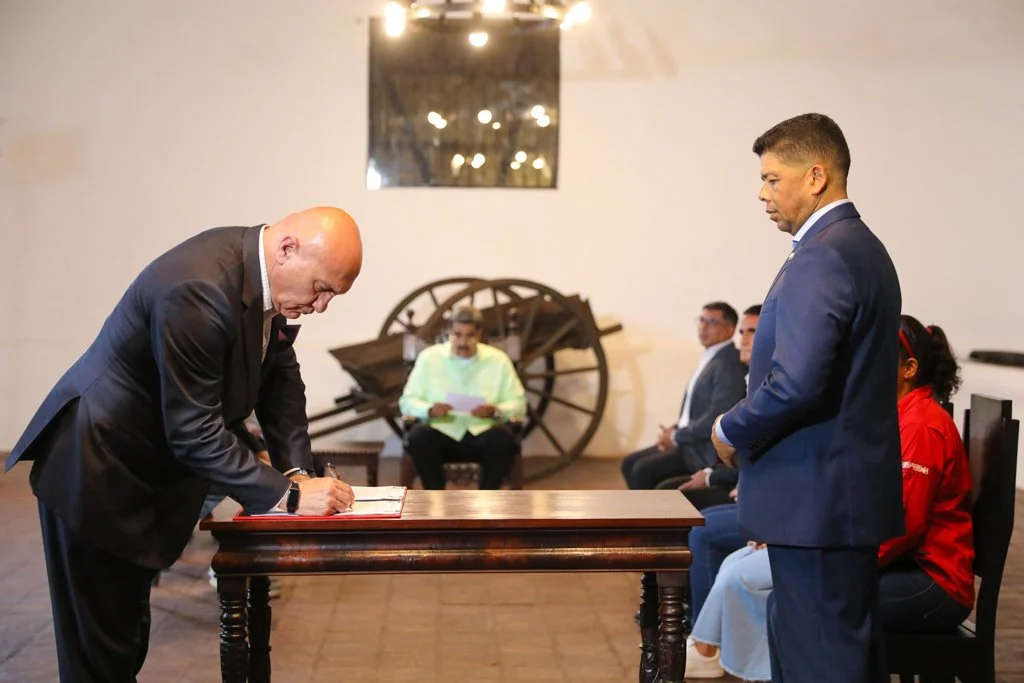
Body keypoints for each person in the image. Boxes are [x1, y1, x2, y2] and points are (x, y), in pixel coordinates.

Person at [4, 206, 363, 682]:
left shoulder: (263, 283)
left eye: (332, 295)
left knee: (124, 643)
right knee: (98, 660)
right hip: (99, 470)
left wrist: (297, 470)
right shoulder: (199, 287)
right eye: (321, 288)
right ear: (287, 249)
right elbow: (194, 430)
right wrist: (291, 496)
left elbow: (280, 381)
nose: (321, 306)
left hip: (144, 469)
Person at [711, 113, 903, 683]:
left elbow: (795, 383)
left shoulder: (824, 254)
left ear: (816, 176)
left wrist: (728, 428)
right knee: (835, 654)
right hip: (834, 497)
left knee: (820, 661)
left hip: (818, 500)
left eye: (772, 179)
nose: (762, 193)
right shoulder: (855, 246)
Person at [686, 315, 974, 680]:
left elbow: (904, 523)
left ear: (909, 369)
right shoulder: (892, 415)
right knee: (780, 599)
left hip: (932, 582)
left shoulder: (920, 425)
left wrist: (831, 559)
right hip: (900, 564)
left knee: (800, 605)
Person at [621, 302, 747, 490]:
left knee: (642, 470)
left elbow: (717, 416)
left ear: (730, 330)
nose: (703, 327)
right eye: (701, 320)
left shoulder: (728, 364)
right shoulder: (712, 357)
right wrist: (672, 431)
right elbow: (695, 411)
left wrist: (676, 436)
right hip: (689, 440)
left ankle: (649, 511)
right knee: (629, 463)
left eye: (712, 322)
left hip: (701, 450)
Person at [399, 305, 526, 489]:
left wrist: (495, 411)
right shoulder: (429, 358)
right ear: (449, 332)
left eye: (469, 336)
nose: (462, 342)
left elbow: (519, 403)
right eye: (457, 335)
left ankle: (487, 500)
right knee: (419, 437)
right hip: (442, 432)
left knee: (502, 439)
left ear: (479, 334)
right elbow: (407, 401)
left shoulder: (498, 360)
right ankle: (435, 498)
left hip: (483, 433)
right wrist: (429, 410)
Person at [657, 304, 761, 508]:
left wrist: (710, 476)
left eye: (752, 331)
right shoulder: (746, 375)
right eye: (742, 332)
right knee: (657, 484)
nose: (743, 339)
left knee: (658, 486)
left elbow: (716, 419)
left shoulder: (731, 367)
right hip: (727, 469)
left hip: (722, 466)